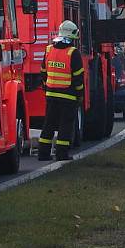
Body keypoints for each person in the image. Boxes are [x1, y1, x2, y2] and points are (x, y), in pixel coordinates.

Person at [38, 20, 84, 161]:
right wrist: (80, 94)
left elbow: (43, 72)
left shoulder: (49, 50)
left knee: (49, 124)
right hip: (68, 96)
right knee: (65, 124)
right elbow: (78, 78)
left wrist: (46, 87)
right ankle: (61, 154)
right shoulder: (73, 53)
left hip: (51, 94)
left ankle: (43, 154)